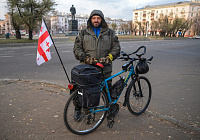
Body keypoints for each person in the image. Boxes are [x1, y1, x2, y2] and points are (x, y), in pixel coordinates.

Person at [73, 9, 121, 121]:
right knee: (81, 90)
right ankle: (78, 109)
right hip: (87, 68)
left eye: (98, 18)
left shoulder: (110, 33)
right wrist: (86, 59)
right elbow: (77, 49)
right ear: (90, 19)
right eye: (94, 18)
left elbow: (116, 48)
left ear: (102, 20)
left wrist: (109, 58)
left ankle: (108, 108)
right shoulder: (83, 32)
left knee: (106, 89)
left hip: (105, 68)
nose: (96, 20)